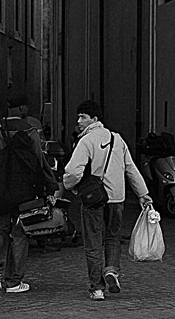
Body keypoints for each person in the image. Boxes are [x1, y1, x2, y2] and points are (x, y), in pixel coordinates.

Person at [63, 100, 152, 301]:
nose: (79, 121)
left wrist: (70, 186)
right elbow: (130, 168)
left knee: (93, 242)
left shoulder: (86, 141)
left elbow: (73, 171)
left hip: (94, 199)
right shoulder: (117, 139)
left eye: (83, 117)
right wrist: (142, 194)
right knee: (112, 237)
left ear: (94, 119)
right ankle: (111, 270)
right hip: (117, 198)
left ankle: (97, 288)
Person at [0, 92, 58, 293]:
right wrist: (51, 186)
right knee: (21, 232)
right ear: (22, 109)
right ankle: (14, 281)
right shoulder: (30, 130)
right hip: (25, 190)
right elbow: (40, 162)